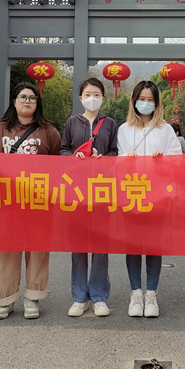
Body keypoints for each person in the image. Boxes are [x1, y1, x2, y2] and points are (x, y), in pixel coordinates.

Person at [0, 83, 61, 320]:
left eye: (32, 98)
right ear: (14, 101)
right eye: (22, 97)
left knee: (38, 249)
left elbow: (60, 165)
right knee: (7, 249)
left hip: (39, 200)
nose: (27, 101)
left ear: (38, 103)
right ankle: (6, 299)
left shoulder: (49, 131)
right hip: (7, 201)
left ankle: (32, 297)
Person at [117, 81, 182, 318]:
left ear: (157, 103)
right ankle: (136, 292)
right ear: (134, 101)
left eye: (150, 100)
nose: (146, 103)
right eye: (142, 99)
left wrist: (163, 159)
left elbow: (177, 159)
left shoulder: (165, 130)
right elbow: (116, 160)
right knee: (133, 245)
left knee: (154, 245)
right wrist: (127, 158)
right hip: (132, 194)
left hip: (157, 195)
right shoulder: (124, 129)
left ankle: (151, 293)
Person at [60, 77, 119, 317]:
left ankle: (99, 296)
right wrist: (73, 157)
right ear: (80, 97)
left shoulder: (110, 123)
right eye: (87, 94)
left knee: (100, 245)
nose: (91, 98)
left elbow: (115, 152)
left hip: (102, 190)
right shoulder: (72, 123)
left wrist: (103, 159)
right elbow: (62, 149)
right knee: (78, 245)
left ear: (102, 98)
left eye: (96, 94)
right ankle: (79, 296)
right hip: (76, 191)